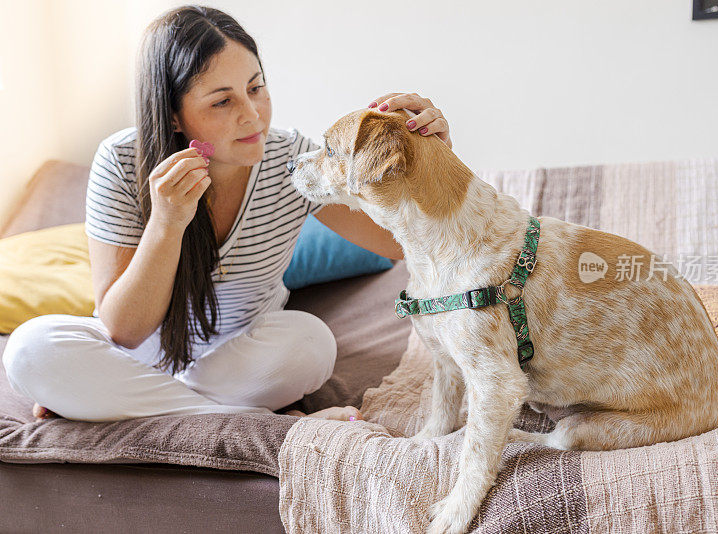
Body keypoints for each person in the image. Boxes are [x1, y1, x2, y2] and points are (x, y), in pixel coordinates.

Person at [2, 5, 452, 423]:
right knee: (29, 350)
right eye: (222, 101)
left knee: (310, 343)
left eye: (256, 87)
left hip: (244, 359)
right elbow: (123, 330)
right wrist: (167, 222)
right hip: (138, 358)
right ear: (175, 117)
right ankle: (255, 424)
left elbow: (401, 242)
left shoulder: (292, 159)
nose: (252, 114)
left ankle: (139, 405)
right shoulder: (121, 162)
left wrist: (432, 158)